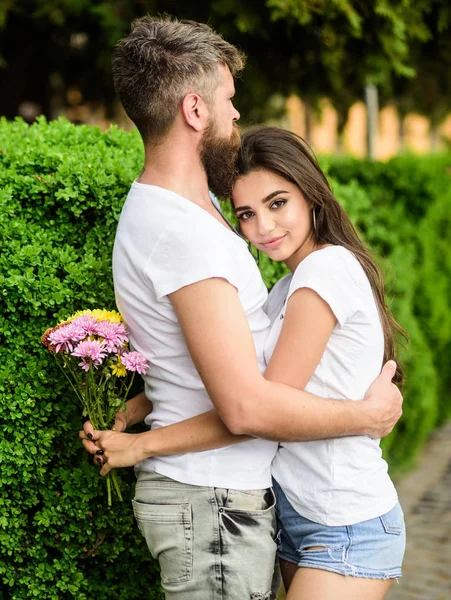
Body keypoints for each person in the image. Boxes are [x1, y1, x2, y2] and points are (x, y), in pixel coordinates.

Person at [80, 16, 402, 600]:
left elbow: (223, 361)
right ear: (195, 110)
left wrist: (143, 411)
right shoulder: (186, 231)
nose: (236, 115)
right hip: (215, 506)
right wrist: (369, 416)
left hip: (262, 510)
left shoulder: (187, 210)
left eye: (275, 204)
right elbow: (247, 404)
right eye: (229, 100)